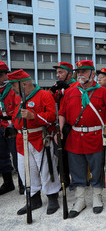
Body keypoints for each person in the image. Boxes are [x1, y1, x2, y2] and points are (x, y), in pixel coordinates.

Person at [59, 60, 106, 217]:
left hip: (95, 135)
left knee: (97, 168)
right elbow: (62, 112)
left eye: (84, 71)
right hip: (75, 136)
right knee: (77, 169)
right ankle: (80, 199)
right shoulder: (70, 92)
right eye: (78, 72)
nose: (80, 74)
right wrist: (60, 130)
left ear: (92, 73)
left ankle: (97, 197)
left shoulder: (102, 92)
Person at [8, 69, 61, 215]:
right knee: (26, 170)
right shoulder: (19, 98)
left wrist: (33, 116)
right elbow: (15, 116)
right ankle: (34, 198)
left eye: (14, 85)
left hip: (39, 137)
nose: (12, 88)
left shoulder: (44, 95)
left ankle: (52, 197)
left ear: (24, 84)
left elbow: (51, 117)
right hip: (21, 140)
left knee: (46, 168)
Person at [50, 62, 78, 188]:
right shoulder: (58, 86)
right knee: (61, 153)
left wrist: (66, 88)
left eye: (61, 72)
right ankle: (64, 179)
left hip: (73, 124)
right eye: (57, 72)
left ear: (69, 74)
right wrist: (51, 92)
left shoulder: (76, 85)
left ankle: (78, 179)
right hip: (61, 123)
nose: (58, 75)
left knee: (74, 154)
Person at [0, 62, 20, 195]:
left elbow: (19, 108)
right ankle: (8, 182)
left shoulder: (13, 88)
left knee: (17, 155)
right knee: (1, 155)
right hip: (0, 125)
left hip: (11, 125)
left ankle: (24, 183)